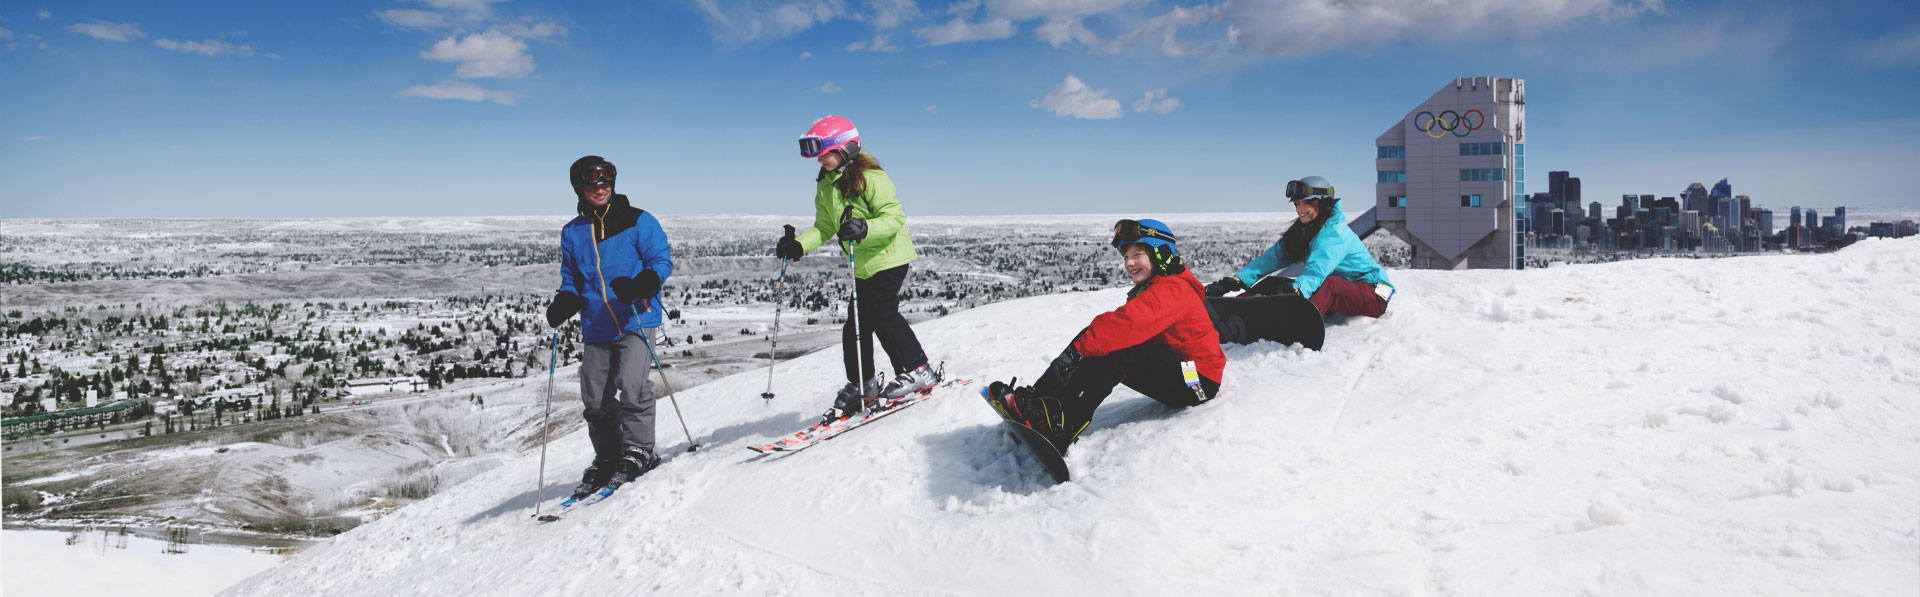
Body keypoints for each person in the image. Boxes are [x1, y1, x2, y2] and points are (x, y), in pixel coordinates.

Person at [984, 219, 1225, 454]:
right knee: (1101, 340)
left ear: (1160, 253)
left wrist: (1079, 349)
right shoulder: (1157, 286)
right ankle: (1040, 404)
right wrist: (1080, 348)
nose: (1129, 263)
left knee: (1119, 346)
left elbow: (1127, 325)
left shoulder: (1173, 289)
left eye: (1137, 255)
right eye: (1125, 257)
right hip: (1182, 369)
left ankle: (1062, 424)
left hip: (1198, 381)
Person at [775, 115, 940, 424]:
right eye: (817, 153)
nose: (821, 158)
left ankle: (919, 370)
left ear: (847, 148)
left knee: (881, 312)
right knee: (855, 325)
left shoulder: (871, 177)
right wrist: (798, 246)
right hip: (862, 265)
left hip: (888, 255)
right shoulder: (826, 185)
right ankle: (863, 384)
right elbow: (824, 227)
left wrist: (865, 227)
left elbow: (894, 218)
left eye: (826, 151)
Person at [545, 156, 674, 499]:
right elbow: (572, 278)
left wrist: (644, 283)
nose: (600, 189)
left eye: (605, 184)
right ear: (580, 189)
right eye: (592, 185)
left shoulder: (638, 221)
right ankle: (609, 456)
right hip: (597, 324)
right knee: (595, 399)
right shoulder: (572, 232)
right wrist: (566, 301)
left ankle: (639, 451)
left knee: (633, 386)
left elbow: (661, 261)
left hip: (636, 316)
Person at [1205, 176, 1394, 318]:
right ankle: (1231, 314)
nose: (1300, 209)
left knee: (1329, 285)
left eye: (1306, 204)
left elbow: (1317, 271)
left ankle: (1298, 321)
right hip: (1349, 288)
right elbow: (1273, 258)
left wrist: (1298, 290)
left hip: (1376, 293)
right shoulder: (1305, 230)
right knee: (1271, 283)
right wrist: (1238, 280)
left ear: (1324, 204)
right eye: (1297, 204)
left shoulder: (1334, 234)